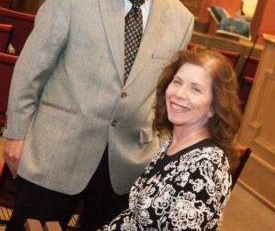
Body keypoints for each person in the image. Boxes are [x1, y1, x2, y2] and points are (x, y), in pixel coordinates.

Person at [2, 0, 194, 230]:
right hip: (56, 150)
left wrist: (154, 147)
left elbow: (165, 96)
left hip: (124, 166)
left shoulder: (182, 20)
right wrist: (17, 132)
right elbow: (33, 65)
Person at [101, 49, 242, 230]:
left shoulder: (207, 167)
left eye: (196, 89)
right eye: (178, 82)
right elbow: (135, 218)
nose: (179, 94)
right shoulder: (172, 144)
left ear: (214, 107)